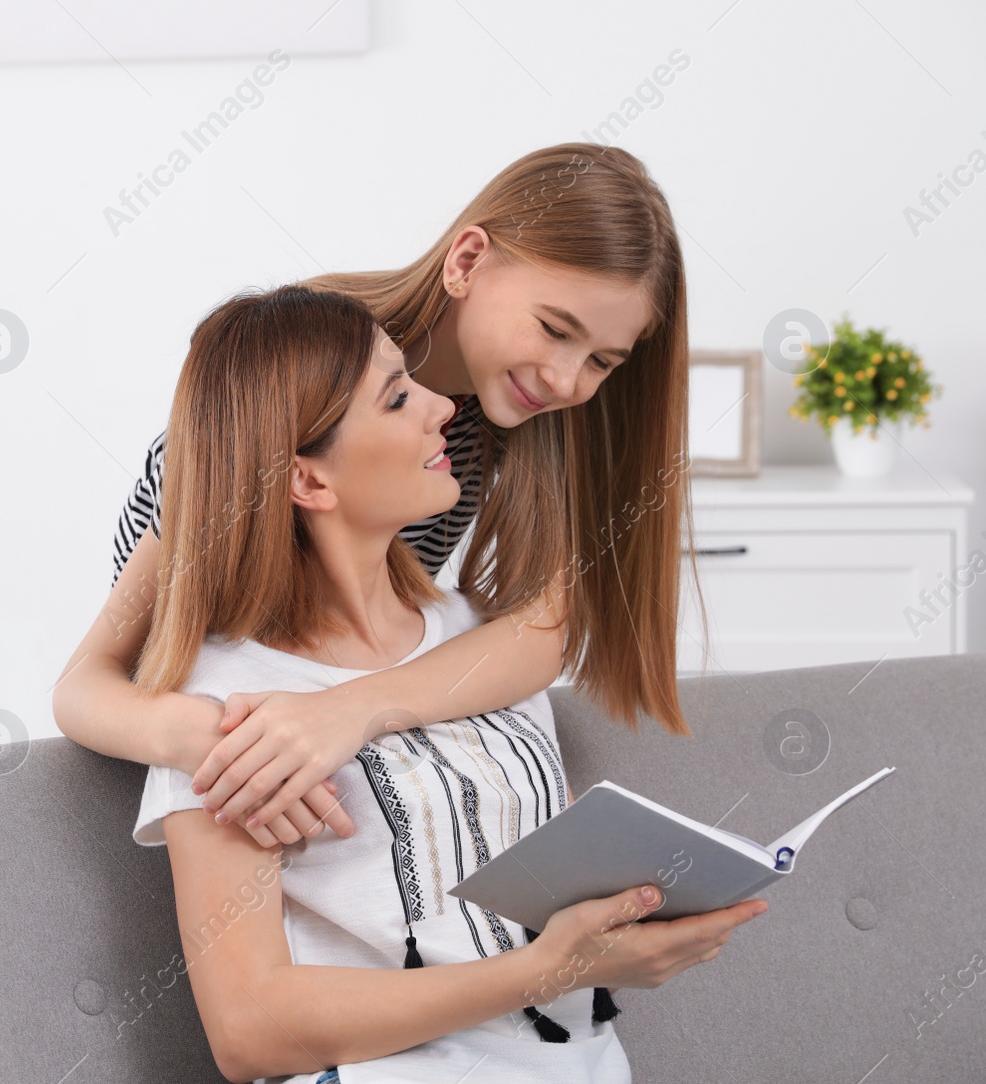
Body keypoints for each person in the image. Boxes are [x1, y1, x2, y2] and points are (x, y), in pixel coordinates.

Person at [127, 283, 767, 1083]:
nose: (442, 408)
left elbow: (516, 879)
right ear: (309, 482)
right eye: (398, 398)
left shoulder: (478, 637)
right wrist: (547, 971)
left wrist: (634, 910)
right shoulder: (231, 703)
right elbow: (249, 1029)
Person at [54, 142, 711, 852]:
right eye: (555, 330)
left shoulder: (505, 417)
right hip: (230, 769)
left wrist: (350, 711)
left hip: (328, 750)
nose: (564, 379)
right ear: (466, 262)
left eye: (601, 363)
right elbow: (92, 678)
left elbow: (538, 635)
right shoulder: (299, 374)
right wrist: (210, 738)